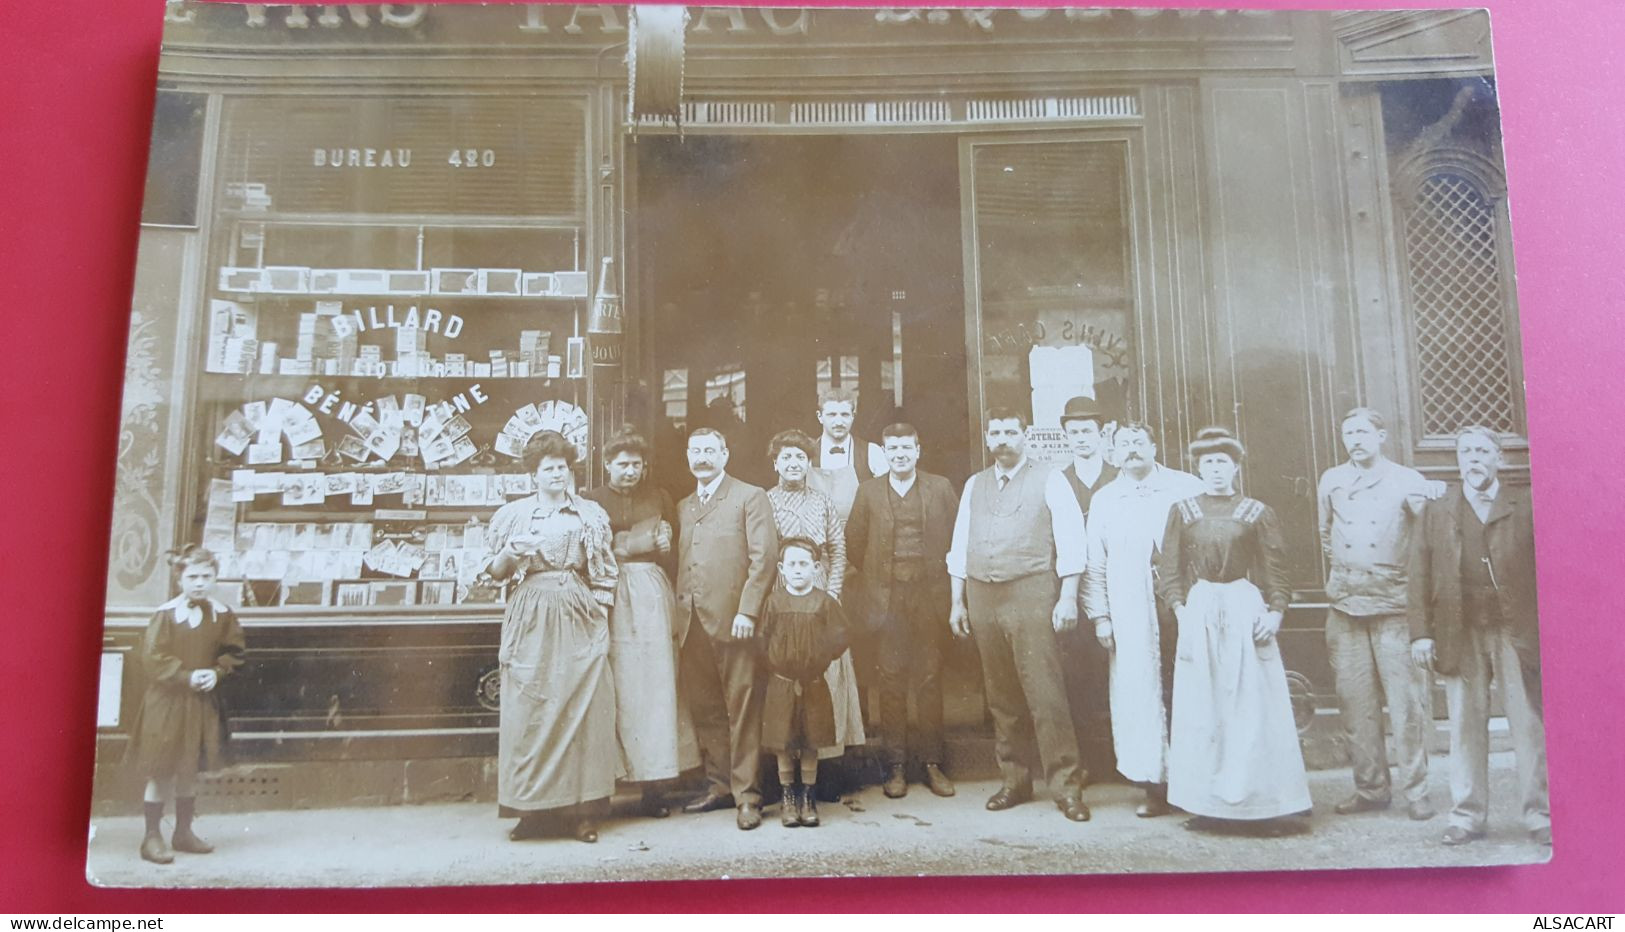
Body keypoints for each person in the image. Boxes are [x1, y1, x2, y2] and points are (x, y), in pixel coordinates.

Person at [1157, 427, 1312, 834]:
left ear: (1236, 467)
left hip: (1244, 607)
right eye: (1208, 462)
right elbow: (1169, 569)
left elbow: (1277, 569)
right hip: (1201, 608)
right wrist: (1180, 607)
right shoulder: (1183, 510)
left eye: (1222, 462)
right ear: (1198, 468)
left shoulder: (1256, 512)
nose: (1215, 470)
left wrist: (1275, 612)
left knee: (1250, 708)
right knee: (1203, 708)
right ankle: (1208, 803)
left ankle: (1261, 805)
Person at [946, 406, 1091, 822]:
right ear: (988, 438)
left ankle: (1066, 785)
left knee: (1044, 693)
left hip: (1031, 592)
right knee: (1001, 694)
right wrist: (958, 600)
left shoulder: (1051, 479)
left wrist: (1067, 597)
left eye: (1011, 431)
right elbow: (959, 545)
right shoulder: (975, 484)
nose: (1003, 439)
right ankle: (1015, 779)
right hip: (982, 594)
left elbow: (1071, 541)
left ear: (1025, 434)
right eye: (996, 432)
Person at [1409, 427, 1549, 846]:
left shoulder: (1523, 506)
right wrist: (1421, 634)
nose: (1473, 459)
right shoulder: (1437, 510)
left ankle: (1539, 814)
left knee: (1527, 724)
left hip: (1514, 630)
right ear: (1457, 460)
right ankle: (1467, 816)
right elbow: (1417, 574)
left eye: (1482, 451)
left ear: (1498, 459)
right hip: (1459, 627)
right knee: (1465, 724)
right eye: (1465, 451)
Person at [483, 431, 619, 844]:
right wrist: (512, 551)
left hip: (578, 609)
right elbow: (494, 571)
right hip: (530, 612)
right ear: (534, 474)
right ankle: (532, 810)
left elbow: (605, 573)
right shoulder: (513, 515)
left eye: (562, 466)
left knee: (582, 705)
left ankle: (583, 812)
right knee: (530, 707)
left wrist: (601, 620)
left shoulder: (590, 514)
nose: (558, 474)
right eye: (549, 468)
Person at [1318, 407, 1441, 821]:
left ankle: (1417, 790)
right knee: (1356, 704)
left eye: (1363, 432)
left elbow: (1427, 543)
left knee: (1407, 706)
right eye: (1348, 432)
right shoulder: (1332, 480)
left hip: (1395, 607)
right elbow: (1325, 534)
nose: (1355, 439)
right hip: (1346, 606)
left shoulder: (1408, 480)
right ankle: (1370, 788)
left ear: (1382, 435)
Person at [1083, 421, 1204, 817]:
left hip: (1185, 605)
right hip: (1131, 608)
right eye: (1123, 444)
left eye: (1139, 442)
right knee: (1142, 692)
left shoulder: (1186, 488)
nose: (1132, 450)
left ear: (1154, 446)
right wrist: (1101, 616)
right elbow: (1095, 563)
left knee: (1188, 686)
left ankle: (1200, 783)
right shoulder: (1105, 499)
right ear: (1113, 453)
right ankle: (1154, 784)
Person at [583, 429, 700, 818]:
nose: (630, 471)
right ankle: (607, 783)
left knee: (656, 686)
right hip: (609, 593)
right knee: (613, 685)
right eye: (622, 464)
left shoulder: (660, 497)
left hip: (650, 594)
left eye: (636, 464)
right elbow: (590, 552)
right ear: (607, 465)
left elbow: (676, 552)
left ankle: (656, 785)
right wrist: (630, 543)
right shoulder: (591, 501)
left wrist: (659, 546)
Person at [845, 422, 958, 799]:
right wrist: (881, 581)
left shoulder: (940, 488)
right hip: (887, 599)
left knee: (929, 678)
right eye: (892, 449)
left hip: (929, 595)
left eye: (906, 448)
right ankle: (894, 766)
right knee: (890, 680)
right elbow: (855, 544)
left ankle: (932, 764)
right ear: (884, 452)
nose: (900, 455)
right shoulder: (869, 492)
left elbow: (958, 538)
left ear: (918, 450)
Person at [674, 427, 780, 830]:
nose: (702, 458)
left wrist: (748, 611)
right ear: (688, 457)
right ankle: (719, 786)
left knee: (743, 709)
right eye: (695, 451)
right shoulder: (685, 505)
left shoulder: (749, 497)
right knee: (708, 710)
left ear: (725, 453)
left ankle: (748, 796)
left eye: (710, 450)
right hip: (693, 622)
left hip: (736, 622)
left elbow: (764, 559)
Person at [126, 545, 246, 865]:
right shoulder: (166, 615)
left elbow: (235, 652)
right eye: (192, 576)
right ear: (180, 578)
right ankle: (152, 836)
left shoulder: (223, 615)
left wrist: (217, 672)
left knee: (189, 768)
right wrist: (184, 675)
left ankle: (183, 831)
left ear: (216, 578)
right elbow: (152, 658)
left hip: (201, 702)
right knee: (161, 768)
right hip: (167, 702)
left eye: (207, 576)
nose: (200, 583)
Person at [764, 430, 866, 768]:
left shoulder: (821, 501)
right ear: (775, 462)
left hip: (819, 592)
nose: (793, 464)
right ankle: (786, 767)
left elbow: (838, 549)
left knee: (828, 672)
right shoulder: (765, 501)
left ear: (809, 463)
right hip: (782, 594)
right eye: (786, 457)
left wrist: (831, 594)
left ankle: (827, 765)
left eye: (800, 458)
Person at [758, 537, 854, 828]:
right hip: (782, 683)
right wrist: (777, 662)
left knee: (811, 740)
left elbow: (840, 637)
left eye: (804, 564)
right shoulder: (774, 603)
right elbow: (761, 640)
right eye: (792, 564)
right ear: (781, 569)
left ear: (815, 568)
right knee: (784, 742)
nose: (798, 570)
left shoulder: (824, 602)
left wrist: (819, 657)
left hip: (813, 682)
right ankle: (789, 797)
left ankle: (808, 797)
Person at [1055, 396, 1120, 783]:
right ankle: (1086, 763)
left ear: (1101, 433)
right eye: (1073, 432)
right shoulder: (1058, 480)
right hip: (1076, 594)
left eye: (1087, 431)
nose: (1080, 438)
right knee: (1079, 678)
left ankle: (1122, 758)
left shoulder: (1119, 476)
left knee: (1122, 672)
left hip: (1119, 587)